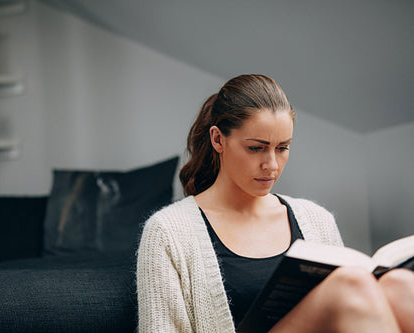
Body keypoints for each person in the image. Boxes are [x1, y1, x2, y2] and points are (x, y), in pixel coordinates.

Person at [136, 74, 414, 333]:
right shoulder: (167, 231)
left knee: (398, 284)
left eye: (282, 148)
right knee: (347, 284)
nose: (271, 165)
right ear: (218, 139)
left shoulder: (316, 219)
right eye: (256, 148)